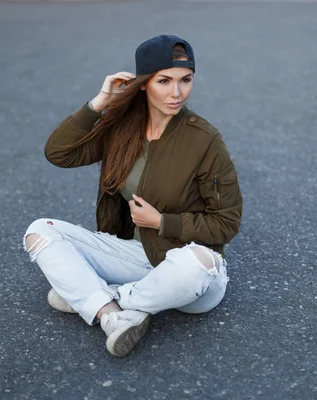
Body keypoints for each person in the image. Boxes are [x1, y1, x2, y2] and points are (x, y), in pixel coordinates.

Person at [23, 35, 242, 357]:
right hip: (136, 257)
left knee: (200, 262)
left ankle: (103, 298)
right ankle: (113, 316)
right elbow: (60, 153)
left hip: (187, 271)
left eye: (186, 80)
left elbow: (226, 223)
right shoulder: (122, 129)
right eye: (164, 81)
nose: (176, 92)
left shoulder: (204, 140)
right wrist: (98, 103)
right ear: (143, 84)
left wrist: (162, 222)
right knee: (40, 230)